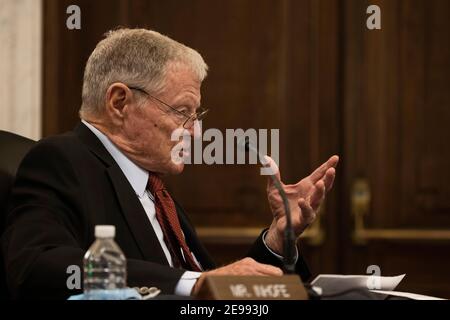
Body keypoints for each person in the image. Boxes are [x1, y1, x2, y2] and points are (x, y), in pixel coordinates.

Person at [1, 28, 338, 300]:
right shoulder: (62, 161)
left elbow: (214, 287)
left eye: (197, 115)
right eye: (182, 112)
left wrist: (278, 239)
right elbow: (36, 266)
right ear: (120, 102)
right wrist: (191, 285)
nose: (196, 130)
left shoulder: (153, 188)